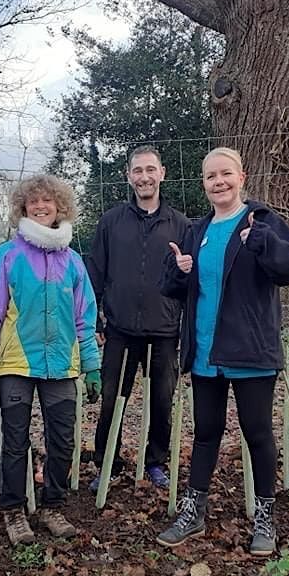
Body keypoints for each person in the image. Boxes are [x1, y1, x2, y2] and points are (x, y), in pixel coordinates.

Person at [156, 148, 289, 556]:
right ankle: (194, 510)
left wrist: (262, 243)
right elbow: (175, 288)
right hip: (205, 350)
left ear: (241, 177)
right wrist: (178, 272)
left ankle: (265, 517)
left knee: (257, 434)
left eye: (225, 174)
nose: (218, 182)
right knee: (206, 432)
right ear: (203, 184)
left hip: (250, 351)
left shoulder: (262, 220)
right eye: (210, 176)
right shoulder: (196, 229)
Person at [0, 175, 101, 546]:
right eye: (33, 202)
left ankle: (52, 506)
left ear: (61, 208)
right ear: (23, 208)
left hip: (60, 365)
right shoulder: (6, 257)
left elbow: (84, 317)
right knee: (14, 440)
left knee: (62, 440)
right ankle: (13, 509)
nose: (41, 207)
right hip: (15, 365)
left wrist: (92, 365)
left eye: (48, 202)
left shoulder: (72, 262)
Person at [86, 145, 191, 491]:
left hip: (164, 331)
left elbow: (190, 281)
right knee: (112, 396)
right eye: (137, 170)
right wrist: (95, 323)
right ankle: (108, 463)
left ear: (162, 173)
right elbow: (95, 275)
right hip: (119, 330)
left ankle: (155, 461)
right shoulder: (111, 222)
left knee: (162, 400)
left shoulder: (181, 225)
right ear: (128, 176)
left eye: (150, 169)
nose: (144, 176)